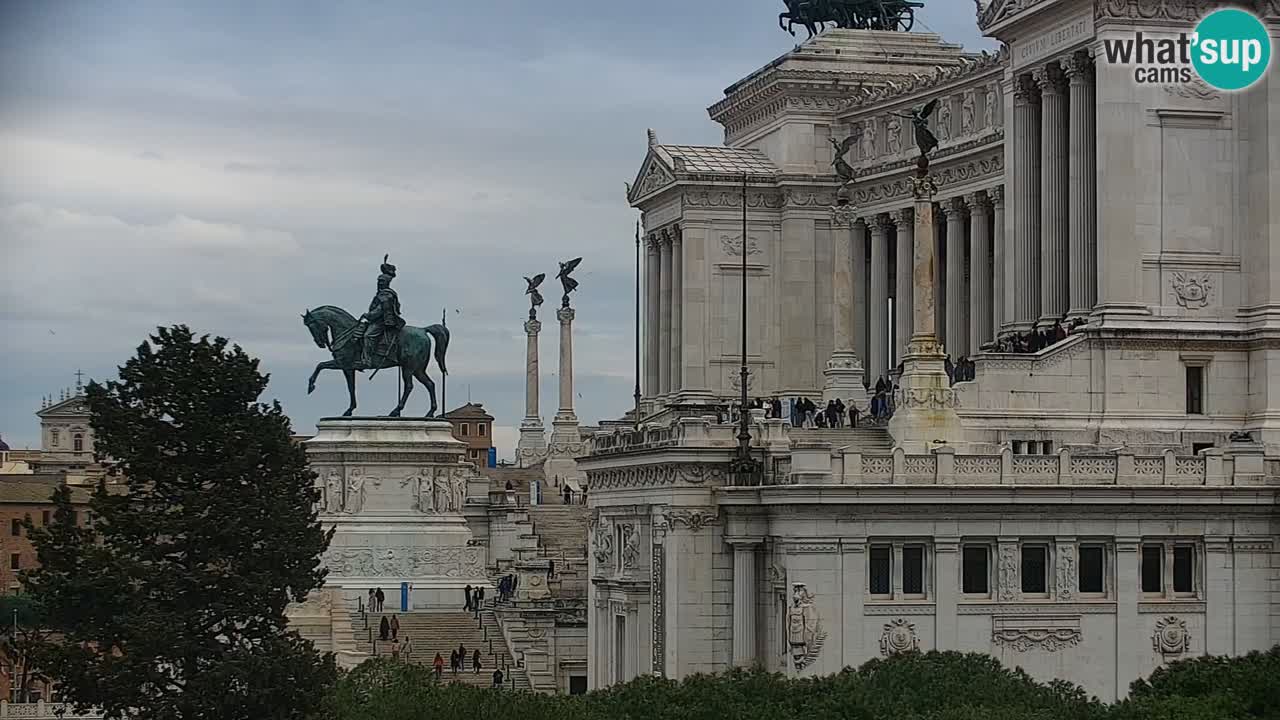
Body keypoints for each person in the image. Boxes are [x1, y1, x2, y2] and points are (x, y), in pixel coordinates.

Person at [355, 255, 405, 369]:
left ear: (386, 282)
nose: (379, 283)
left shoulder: (385, 294)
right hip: (376, 320)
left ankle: (366, 360)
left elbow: (380, 311)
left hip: (383, 322)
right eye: (379, 281)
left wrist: (368, 315)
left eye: (381, 282)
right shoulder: (382, 293)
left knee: (368, 336)